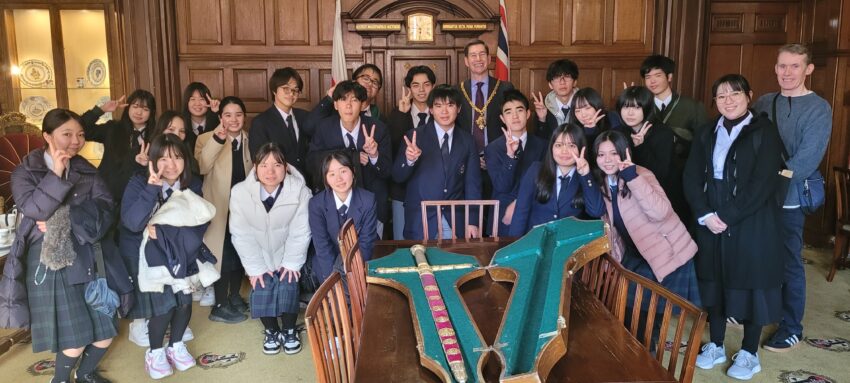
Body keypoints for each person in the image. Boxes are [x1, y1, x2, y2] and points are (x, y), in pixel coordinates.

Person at [1, 108, 131, 383]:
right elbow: (35, 209)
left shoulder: (86, 168)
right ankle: (60, 380)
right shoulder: (26, 171)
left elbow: (106, 209)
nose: (76, 141)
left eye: (81, 135)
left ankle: (84, 374)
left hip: (87, 252)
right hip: (49, 258)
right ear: (47, 136)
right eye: (67, 134)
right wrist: (57, 173)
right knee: (75, 337)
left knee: (106, 330)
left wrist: (66, 218)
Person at [685, 74, 787, 380]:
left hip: (751, 219)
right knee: (713, 280)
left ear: (749, 96)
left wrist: (727, 216)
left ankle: (749, 352)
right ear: (714, 101)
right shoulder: (706, 132)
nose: (728, 101)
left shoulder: (764, 132)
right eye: (721, 96)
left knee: (751, 281)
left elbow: (763, 183)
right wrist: (704, 214)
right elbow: (690, 176)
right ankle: (715, 344)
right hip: (711, 219)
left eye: (735, 94)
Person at [753, 44, 833, 353]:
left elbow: (806, 159)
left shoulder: (819, 108)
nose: (787, 72)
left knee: (789, 262)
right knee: (757, 256)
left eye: (794, 66)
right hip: (758, 198)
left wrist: (769, 181)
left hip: (789, 199)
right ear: (775, 68)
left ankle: (791, 327)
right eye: (782, 66)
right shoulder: (763, 102)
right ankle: (760, 312)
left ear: (808, 69)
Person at [122, 134, 215, 379]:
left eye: (177, 157)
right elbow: (132, 223)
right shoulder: (139, 182)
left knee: (184, 302)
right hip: (149, 256)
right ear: (152, 161)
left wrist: (170, 233)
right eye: (163, 158)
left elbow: (201, 218)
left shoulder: (191, 184)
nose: (170, 165)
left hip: (182, 252)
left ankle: (175, 345)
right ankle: (154, 352)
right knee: (163, 307)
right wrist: (152, 188)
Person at [593, 130, 700, 341]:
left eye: (613, 153)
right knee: (629, 309)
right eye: (601, 154)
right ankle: (636, 351)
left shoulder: (641, 174)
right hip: (637, 254)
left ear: (625, 153)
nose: (607, 160)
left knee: (651, 317)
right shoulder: (603, 183)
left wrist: (632, 178)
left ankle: (648, 357)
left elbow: (662, 213)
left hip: (667, 253)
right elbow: (611, 228)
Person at [230, 143, 312, 356]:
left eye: (277, 165)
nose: (270, 171)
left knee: (288, 283)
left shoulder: (300, 191)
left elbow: (301, 230)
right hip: (258, 253)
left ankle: (289, 329)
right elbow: (241, 234)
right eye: (264, 165)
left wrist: (291, 262)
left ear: (286, 167)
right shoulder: (240, 193)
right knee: (262, 284)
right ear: (255, 167)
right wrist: (255, 267)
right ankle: (271, 330)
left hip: (287, 250)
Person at [393, 84, 482, 240]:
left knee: (453, 262)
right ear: (431, 110)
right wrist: (409, 160)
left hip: (455, 219)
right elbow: (397, 176)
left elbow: (472, 183)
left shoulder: (467, 140)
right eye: (438, 106)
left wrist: (472, 221)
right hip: (420, 219)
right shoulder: (415, 136)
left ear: (459, 109)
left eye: (450, 105)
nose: (444, 111)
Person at [306, 80, 391, 236]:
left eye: (354, 100)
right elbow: (311, 162)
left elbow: (387, 172)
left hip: (372, 207)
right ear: (336, 104)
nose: (349, 105)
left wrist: (374, 155)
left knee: (371, 254)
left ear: (363, 104)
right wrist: (352, 157)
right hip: (334, 206)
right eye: (343, 99)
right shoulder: (324, 128)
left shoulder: (378, 129)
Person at [195, 96, 253, 324]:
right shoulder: (205, 139)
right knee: (222, 255)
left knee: (240, 252)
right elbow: (202, 165)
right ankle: (219, 304)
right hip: (219, 208)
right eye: (227, 115)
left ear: (244, 117)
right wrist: (218, 139)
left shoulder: (250, 140)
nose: (233, 119)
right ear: (220, 118)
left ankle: (235, 296)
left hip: (243, 209)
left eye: (238, 114)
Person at [509, 123, 604, 236]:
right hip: (536, 243)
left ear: (581, 148)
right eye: (559, 145)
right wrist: (515, 246)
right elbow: (521, 213)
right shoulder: (535, 170)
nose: (564, 151)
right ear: (552, 148)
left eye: (571, 145)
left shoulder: (588, 176)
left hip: (569, 246)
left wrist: (585, 175)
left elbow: (596, 211)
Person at [617, 86, 688, 223]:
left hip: (661, 199)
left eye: (637, 107)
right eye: (626, 107)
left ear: (647, 108)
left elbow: (660, 173)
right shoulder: (618, 132)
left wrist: (640, 147)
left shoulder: (662, 132)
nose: (630, 113)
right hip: (629, 199)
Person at [484, 89, 546, 235]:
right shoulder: (493, 149)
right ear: (502, 118)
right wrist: (510, 157)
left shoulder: (543, 145)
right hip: (505, 216)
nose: (515, 116)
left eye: (519, 110)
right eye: (508, 112)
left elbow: (545, 182)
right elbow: (502, 186)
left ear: (528, 114)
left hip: (535, 213)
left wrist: (519, 202)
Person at [309, 151, 378, 282]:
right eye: (332, 174)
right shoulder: (316, 204)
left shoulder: (368, 200)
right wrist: (334, 281)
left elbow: (366, 243)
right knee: (334, 294)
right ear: (326, 179)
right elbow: (322, 246)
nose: (339, 179)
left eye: (343, 171)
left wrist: (353, 278)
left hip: (360, 257)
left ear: (353, 171)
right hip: (329, 258)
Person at [80, 89, 156, 205]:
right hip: (105, 196)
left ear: (151, 113)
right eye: (135, 106)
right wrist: (101, 110)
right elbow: (82, 130)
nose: (139, 112)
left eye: (145, 109)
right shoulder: (113, 129)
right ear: (128, 107)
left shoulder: (156, 136)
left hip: (137, 199)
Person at [387, 65, 436, 239]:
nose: (421, 90)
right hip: (403, 191)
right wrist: (401, 115)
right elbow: (391, 149)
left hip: (434, 191)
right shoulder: (397, 114)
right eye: (416, 85)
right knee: (403, 244)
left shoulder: (443, 114)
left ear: (433, 87)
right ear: (409, 89)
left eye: (426, 84)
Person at [640, 54, 707, 169]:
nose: (652, 81)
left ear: (669, 77)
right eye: (648, 77)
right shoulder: (642, 107)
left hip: (681, 171)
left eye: (658, 75)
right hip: (649, 171)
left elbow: (703, 144)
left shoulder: (692, 107)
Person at [249, 68, 311, 180]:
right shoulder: (261, 122)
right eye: (286, 89)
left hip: (306, 184)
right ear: (274, 90)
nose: (291, 94)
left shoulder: (305, 117)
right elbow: (259, 159)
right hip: (278, 185)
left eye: (295, 90)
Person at [457, 39, 515, 158]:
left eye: (482, 54)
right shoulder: (457, 91)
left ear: (488, 59)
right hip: (466, 158)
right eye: (473, 55)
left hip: (498, 156)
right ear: (466, 61)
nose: (478, 59)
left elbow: (512, 124)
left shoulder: (505, 88)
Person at [305, 64, 385, 135]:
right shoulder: (334, 110)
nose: (370, 83)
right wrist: (328, 99)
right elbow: (309, 128)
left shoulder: (380, 119)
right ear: (354, 81)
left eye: (375, 82)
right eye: (366, 78)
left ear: (378, 91)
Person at [532, 58, 579, 139]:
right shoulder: (543, 106)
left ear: (575, 82)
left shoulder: (586, 104)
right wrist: (542, 119)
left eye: (567, 77)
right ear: (550, 84)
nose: (562, 82)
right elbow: (539, 142)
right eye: (557, 78)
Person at [182, 82, 221, 152]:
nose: (197, 103)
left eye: (202, 99)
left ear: (208, 101)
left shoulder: (217, 121)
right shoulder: (181, 124)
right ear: (187, 103)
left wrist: (218, 111)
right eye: (193, 99)